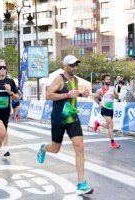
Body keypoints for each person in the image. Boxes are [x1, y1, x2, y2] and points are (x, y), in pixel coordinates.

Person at [36, 55, 94, 195]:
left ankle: (81, 184)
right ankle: (43, 148)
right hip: (59, 118)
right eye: (72, 65)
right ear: (65, 66)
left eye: (76, 65)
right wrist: (67, 95)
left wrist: (81, 94)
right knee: (55, 149)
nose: (75, 67)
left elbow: (72, 94)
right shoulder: (59, 79)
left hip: (72, 117)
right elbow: (48, 95)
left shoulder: (76, 80)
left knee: (80, 147)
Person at [92, 74, 121, 149]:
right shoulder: (100, 90)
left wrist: (115, 95)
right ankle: (112, 143)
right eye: (107, 79)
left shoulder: (112, 88)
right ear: (103, 81)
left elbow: (117, 97)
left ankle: (98, 124)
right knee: (111, 126)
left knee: (109, 126)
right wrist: (99, 103)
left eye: (109, 79)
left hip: (111, 109)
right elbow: (95, 97)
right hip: (104, 109)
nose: (109, 80)